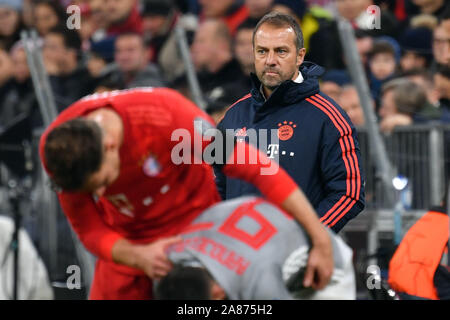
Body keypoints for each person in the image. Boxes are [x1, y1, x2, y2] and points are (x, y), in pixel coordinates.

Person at [39, 87, 334, 299]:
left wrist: (320, 239)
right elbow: (88, 227)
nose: (103, 193)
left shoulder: (171, 119)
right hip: (128, 246)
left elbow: (256, 167)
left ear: (110, 146)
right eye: (93, 191)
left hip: (195, 233)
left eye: (103, 181)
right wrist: (136, 256)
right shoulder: (59, 150)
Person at [216, 12, 365, 233]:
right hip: (240, 256)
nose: (270, 60)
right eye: (262, 51)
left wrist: (307, 238)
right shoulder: (234, 115)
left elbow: (349, 192)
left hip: (297, 259)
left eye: (281, 51)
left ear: (300, 56)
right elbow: (215, 186)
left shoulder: (328, 117)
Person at [155, 196, 356, 300]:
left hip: (324, 264)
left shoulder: (260, 280)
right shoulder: (166, 258)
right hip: (256, 234)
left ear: (217, 292)